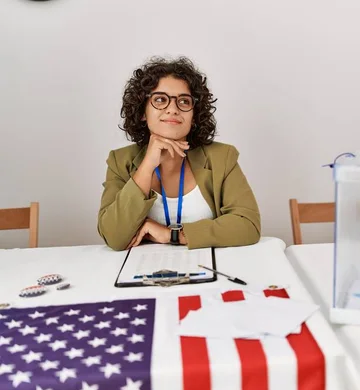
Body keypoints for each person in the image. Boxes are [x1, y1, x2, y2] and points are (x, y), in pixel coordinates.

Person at [97, 56, 261, 251]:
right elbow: (114, 236)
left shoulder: (222, 157)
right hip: (144, 272)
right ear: (142, 112)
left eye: (184, 101)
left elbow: (248, 226)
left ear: (194, 115)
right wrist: (148, 165)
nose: (173, 109)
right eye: (160, 100)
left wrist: (173, 235)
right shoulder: (120, 161)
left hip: (208, 271)